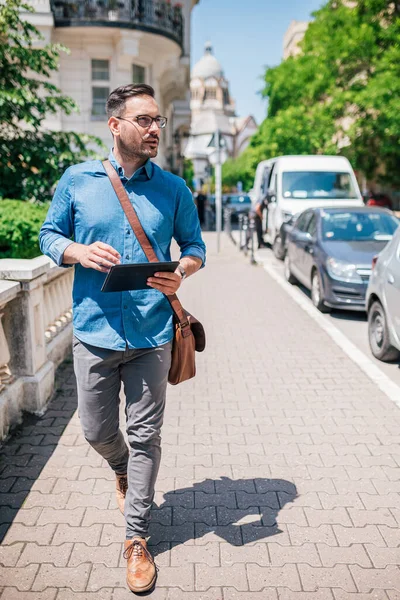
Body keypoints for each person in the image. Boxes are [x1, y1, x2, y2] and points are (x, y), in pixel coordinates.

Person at [39, 84, 206, 594]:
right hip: (93, 329)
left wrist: (182, 270)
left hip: (153, 332)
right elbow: (48, 235)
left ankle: (137, 538)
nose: (155, 128)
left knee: (147, 435)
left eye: (157, 120)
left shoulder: (174, 188)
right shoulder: (78, 180)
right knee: (96, 432)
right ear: (115, 126)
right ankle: (121, 469)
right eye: (145, 120)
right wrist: (76, 252)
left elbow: (195, 246)